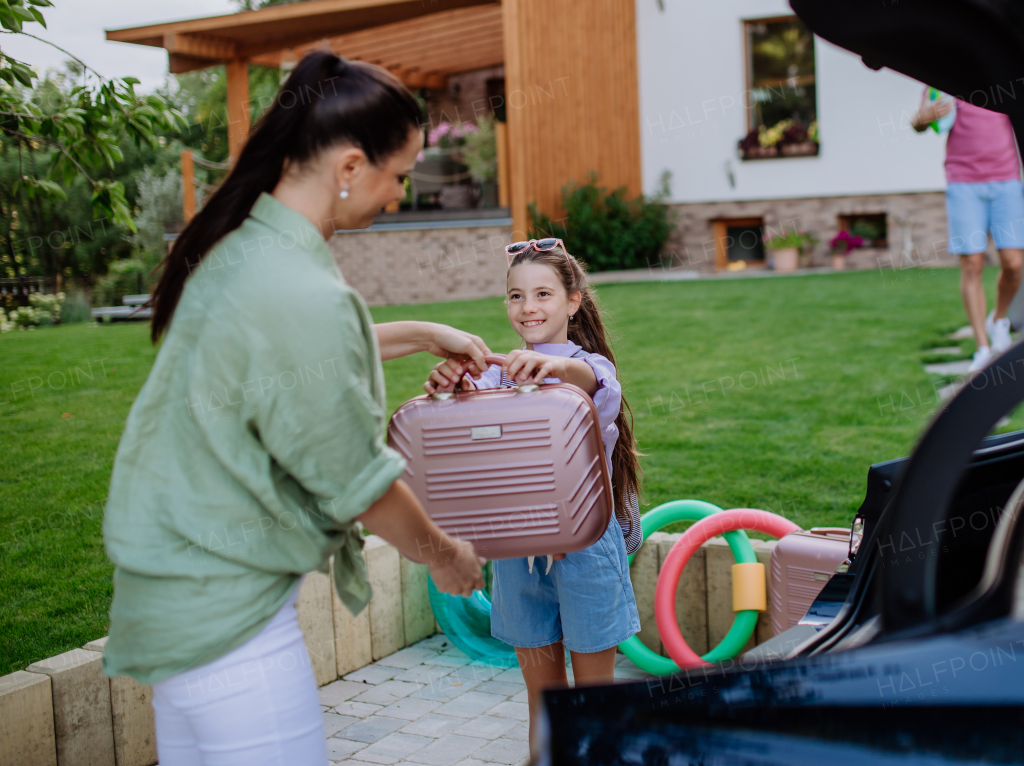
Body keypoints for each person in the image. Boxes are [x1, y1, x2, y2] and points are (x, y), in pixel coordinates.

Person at [101, 50, 490, 766]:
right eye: (398, 175)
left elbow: (289, 368)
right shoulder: (299, 291)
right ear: (348, 168)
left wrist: (427, 332)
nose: (399, 195)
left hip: (171, 614)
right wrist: (447, 558)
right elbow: (359, 483)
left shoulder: (241, 248)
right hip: (232, 635)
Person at [427, 237, 643, 754]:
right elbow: (462, 441)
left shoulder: (589, 367)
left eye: (543, 294)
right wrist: (449, 387)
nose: (528, 308)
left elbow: (588, 382)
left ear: (572, 301)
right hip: (516, 553)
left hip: (586, 548)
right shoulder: (496, 374)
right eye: (516, 296)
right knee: (542, 701)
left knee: (592, 703)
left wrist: (552, 368)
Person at [911, 91, 1024, 371]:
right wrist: (923, 118)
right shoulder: (940, 78)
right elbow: (919, 122)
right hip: (963, 184)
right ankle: (982, 348)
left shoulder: (997, 76)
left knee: (1014, 264)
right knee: (972, 265)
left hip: (1006, 182)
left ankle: (998, 319)